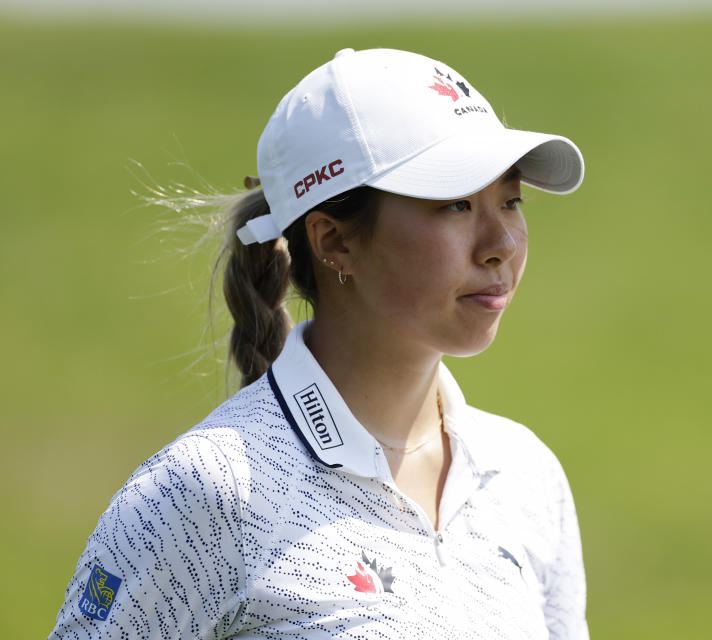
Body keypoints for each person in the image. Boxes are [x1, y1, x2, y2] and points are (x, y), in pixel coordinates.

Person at [49, 47, 587, 639]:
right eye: (455, 204)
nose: (501, 244)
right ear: (334, 241)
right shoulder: (208, 492)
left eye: (510, 201)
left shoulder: (525, 475)